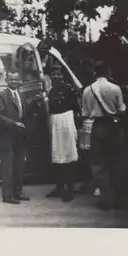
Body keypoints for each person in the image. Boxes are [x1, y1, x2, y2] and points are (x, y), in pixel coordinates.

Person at [81, 61, 127, 211]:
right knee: (116, 163)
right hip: (114, 128)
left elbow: (85, 113)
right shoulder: (115, 88)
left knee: (99, 165)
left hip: (98, 127)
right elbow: (122, 109)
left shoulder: (88, 90)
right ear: (108, 72)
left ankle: (106, 200)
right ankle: (118, 200)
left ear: (95, 73)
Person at [0, 72, 30, 204]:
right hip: (6, 135)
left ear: (19, 80)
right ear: (6, 80)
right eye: (11, 79)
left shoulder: (22, 95)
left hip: (19, 135)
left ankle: (18, 192)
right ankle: (7, 196)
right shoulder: (0, 95)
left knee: (19, 165)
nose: (14, 81)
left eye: (16, 79)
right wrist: (14, 124)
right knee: (7, 167)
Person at [45, 65, 81, 202]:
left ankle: (69, 189)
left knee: (69, 156)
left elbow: (76, 107)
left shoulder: (69, 89)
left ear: (63, 76)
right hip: (55, 121)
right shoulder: (51, 91)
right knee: (57, 155)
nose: (56, 77)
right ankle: (59, 187)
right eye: (53, 75)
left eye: (59, 74)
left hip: (67, 120)